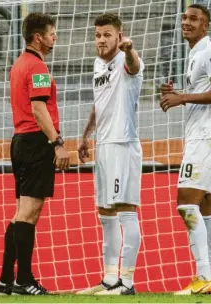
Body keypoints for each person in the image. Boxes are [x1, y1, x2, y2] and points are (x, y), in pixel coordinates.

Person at [0, 12, 69, 296]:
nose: (55, 37)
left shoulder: (19, 64)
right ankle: (24, 280)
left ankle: (4, 279)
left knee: (20, 213)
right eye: (51, 33)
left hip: (20, 141)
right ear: (37, 37)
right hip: (36, 142)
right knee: (29, 212)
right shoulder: (37, 67)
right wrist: (57, 142)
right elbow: (38, 109)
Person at [159, 4, 211, 295]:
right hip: (210, 138)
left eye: (194, 19)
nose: (186, 22)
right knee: (208, 210)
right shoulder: (194, 54)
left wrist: (182, 98)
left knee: (186, 205)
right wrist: (177, 95)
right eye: (185, 17)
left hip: (205, 139)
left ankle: (202, 276)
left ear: (206, 26)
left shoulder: (210, 51)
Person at [76, 13, 144, 296]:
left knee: (126, 211)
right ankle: (109, 279)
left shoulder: (126, 60)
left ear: (119, 35)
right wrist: (85, 135)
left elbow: (134, 65)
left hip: (123, 144)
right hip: (103, 145)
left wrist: (129, 49)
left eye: (107, 34)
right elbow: (98, 104)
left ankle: (127, 283)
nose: (101, 40)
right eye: (97, 35)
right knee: (106, 213)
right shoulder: (98, 64)